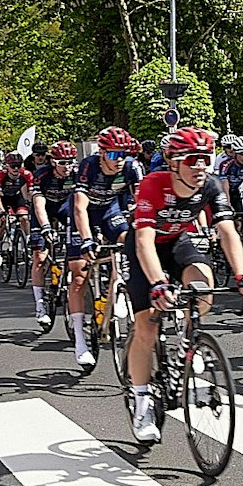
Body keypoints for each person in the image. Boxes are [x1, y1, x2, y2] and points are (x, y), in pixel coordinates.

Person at [124, 128, 243, 443]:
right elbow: (143, 241)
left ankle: (187, 337)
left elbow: (227, 231)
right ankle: (141, 403)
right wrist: (156, 283)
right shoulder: (153, 185)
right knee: (146, 329)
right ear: (173, 162)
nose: (199, 166)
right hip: (146, 247)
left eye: (205, 159)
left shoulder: (208, 186)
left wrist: (242, 275)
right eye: (192, 159)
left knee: (203, 283)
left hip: (177, 241)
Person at [69, 127, 144, 369]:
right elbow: (80, 207)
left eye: (123, 154)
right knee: (79, 275)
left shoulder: (132, 167)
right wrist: (87, 239)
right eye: (113, 155)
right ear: (101, 154)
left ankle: (119, 284)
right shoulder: (89, 166)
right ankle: (80, 342)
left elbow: (143, 204)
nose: (119, 160)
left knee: (127, 239)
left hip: (110, 211)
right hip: (85, 214)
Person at [27, 141, 81, 332]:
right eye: (62, 163)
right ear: (53, 162)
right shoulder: (41, 175)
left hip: (64, 206)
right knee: (40, 257)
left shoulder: (76, 174)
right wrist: (47, 228)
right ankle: (40, 304)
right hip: (44, 210)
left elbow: (82, 204)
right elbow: (39, 205)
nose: (67, 167)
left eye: (70, 162)